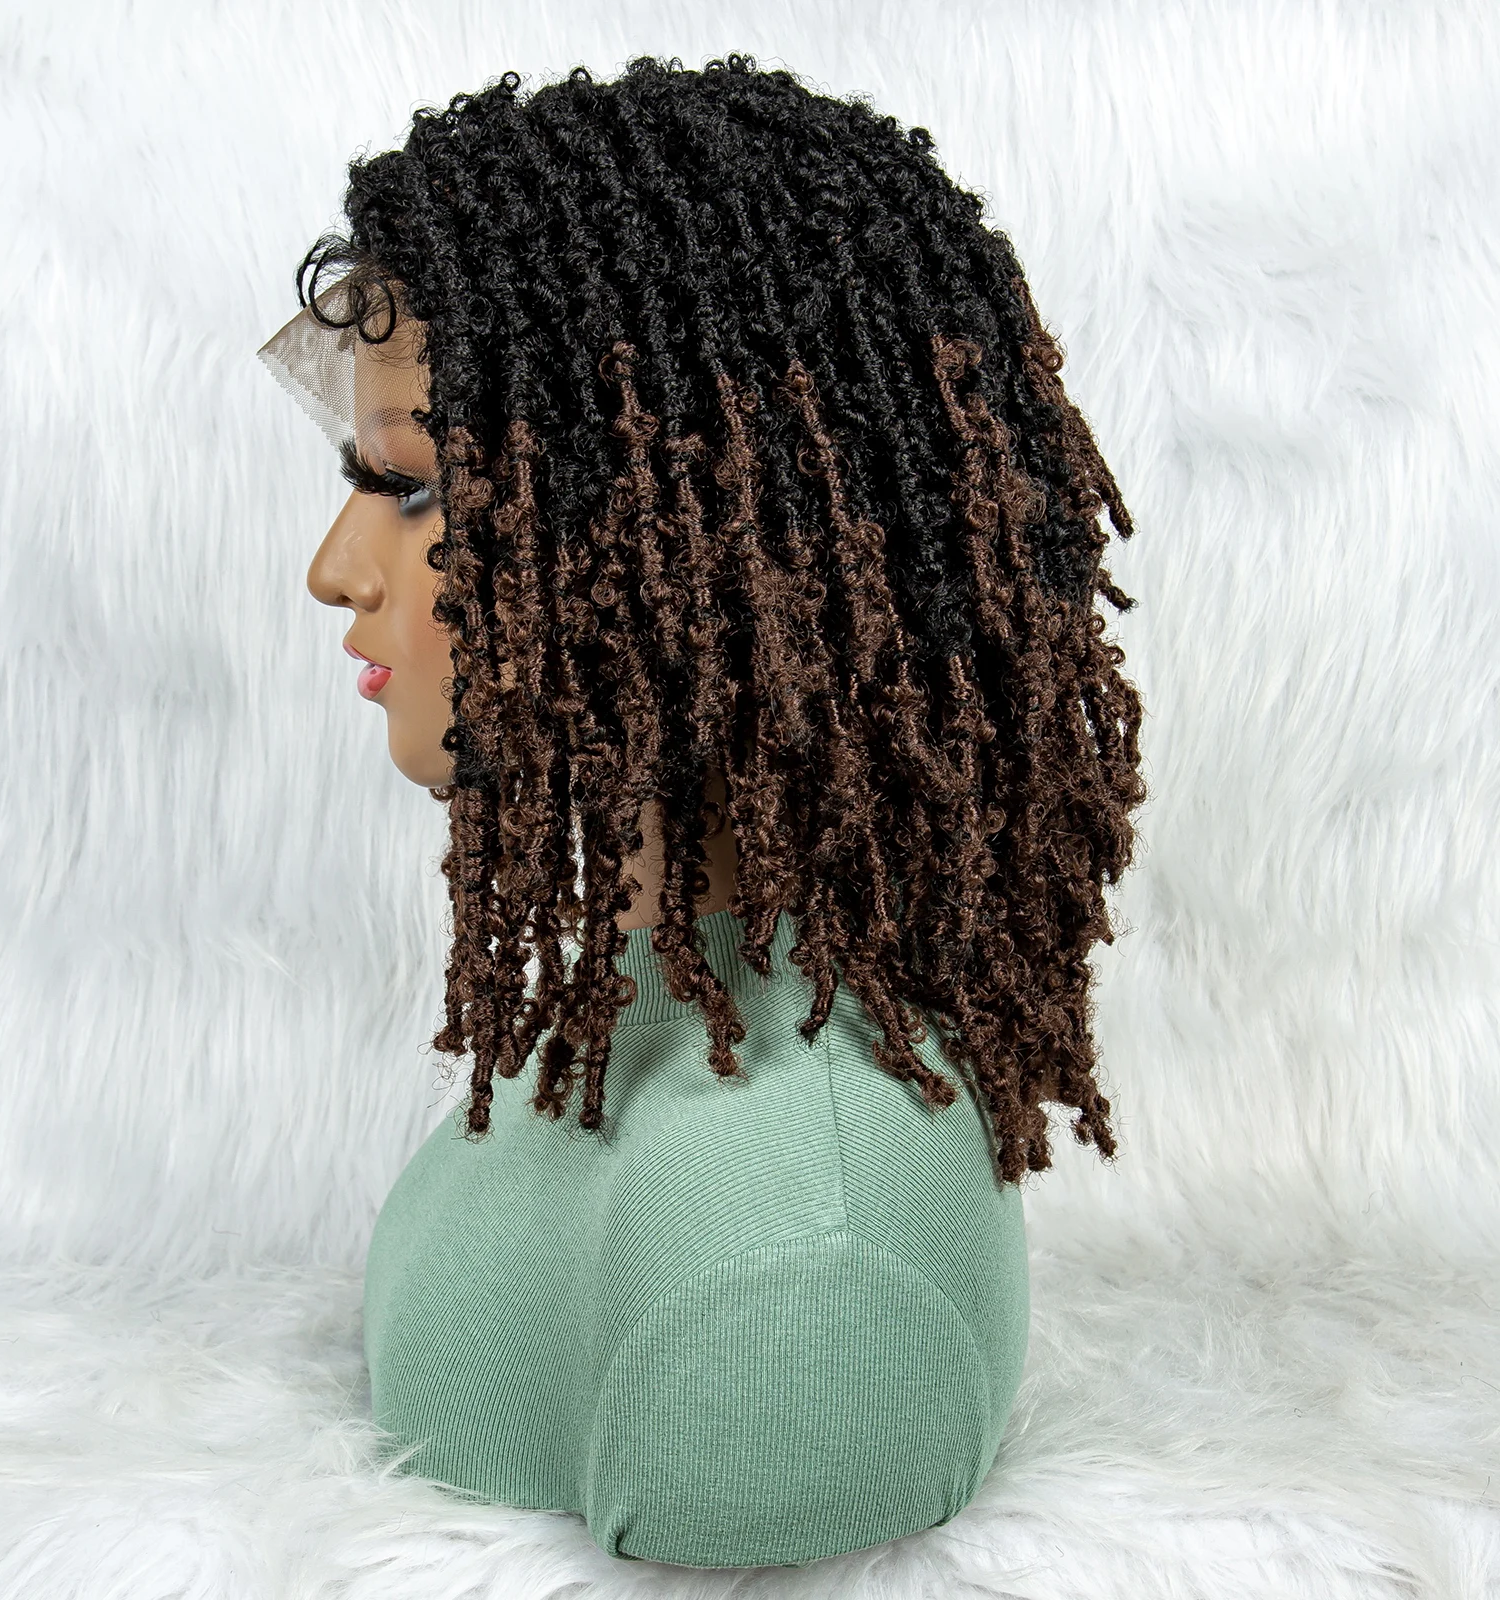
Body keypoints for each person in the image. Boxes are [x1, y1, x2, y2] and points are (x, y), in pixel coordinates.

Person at [258, 53, 1147, 1569]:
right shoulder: (631, 1017)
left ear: (687, 521)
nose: (336, 570)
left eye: (410, 488)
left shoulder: (796, 1248)